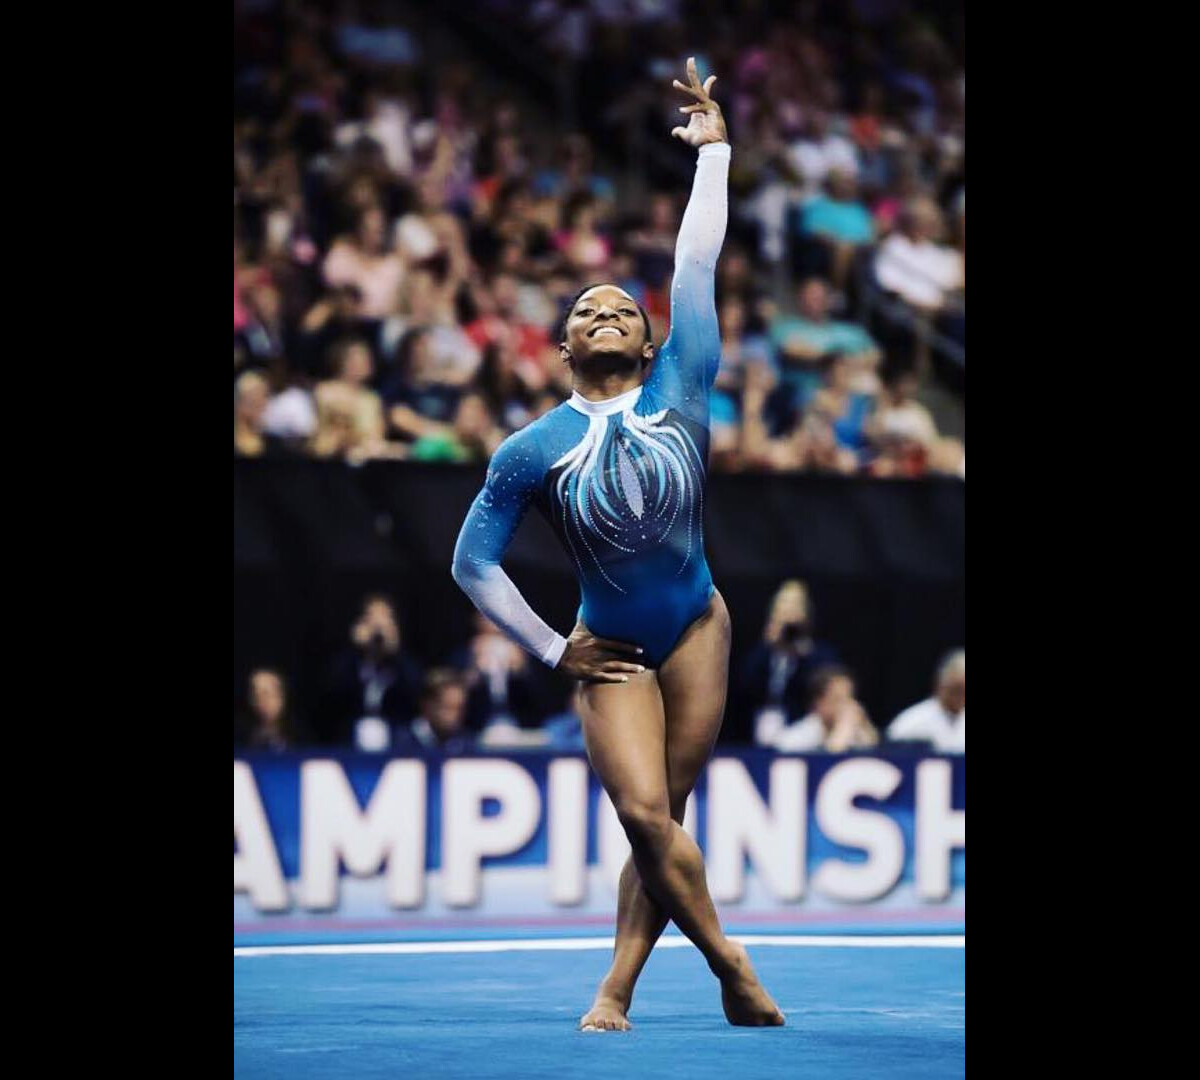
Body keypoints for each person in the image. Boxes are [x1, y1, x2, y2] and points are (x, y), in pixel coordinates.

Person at [451, 59, 783, 1032]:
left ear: (648, 345)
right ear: (560, 346)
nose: (604, 312)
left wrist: (715, 156)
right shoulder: (531, 449)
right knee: (644, 814)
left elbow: (693, 265)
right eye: (584, 310)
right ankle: (730, 961)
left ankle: (617, 988)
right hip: (610, 645)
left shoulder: (684, 381)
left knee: (663, 818)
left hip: (697, 624)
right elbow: (473, 562)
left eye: (621, 312)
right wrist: (554, 647)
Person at [740, 580, 840, 744]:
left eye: (794, 606)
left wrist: (801, 654)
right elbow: (744, 686)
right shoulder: (763, 652)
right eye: (782, 607)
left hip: (801, 730)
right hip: (759, 727)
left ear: (806, 614)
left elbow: (821, 690)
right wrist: (768, 646)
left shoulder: (818, 654)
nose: (788, 613)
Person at [764, 665, 878, 753]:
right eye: (837, 699)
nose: (846, 706)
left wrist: (865, 728)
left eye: (849, 698)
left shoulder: (854, 733)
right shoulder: (796, 739)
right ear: (818, 703)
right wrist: (840, 737)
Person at [886, 649, 965, 753]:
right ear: (939, 685)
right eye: (956, 689)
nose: (959, 696)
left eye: (963, 690)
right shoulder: (911, 722)